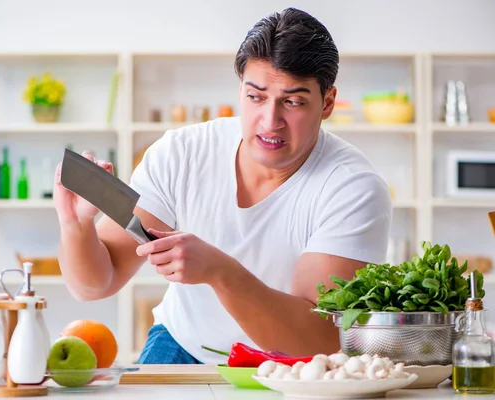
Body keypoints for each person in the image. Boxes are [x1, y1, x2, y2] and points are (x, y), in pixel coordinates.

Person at [53, 7, 392, 365]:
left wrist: (220, 272)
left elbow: (317, 340)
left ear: (327, 103)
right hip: (184, 343)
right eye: (256, 96)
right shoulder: (182, 153)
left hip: (293, 366)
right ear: (240, 90)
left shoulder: (352, 189)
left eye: (293, 102)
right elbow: (95, 285)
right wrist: (75, 226)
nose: (270, 121)